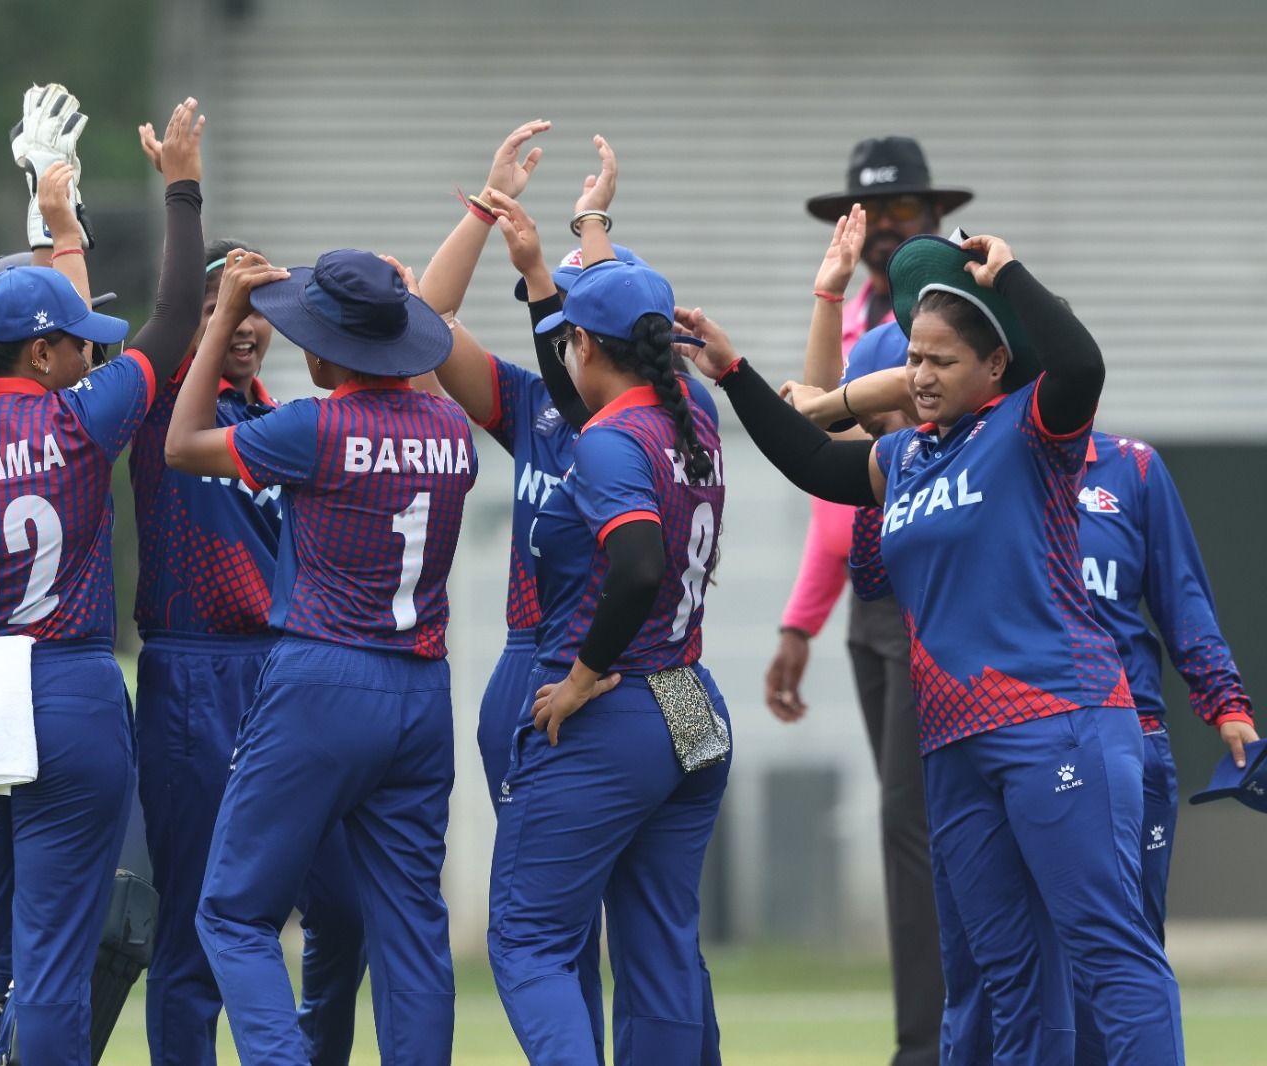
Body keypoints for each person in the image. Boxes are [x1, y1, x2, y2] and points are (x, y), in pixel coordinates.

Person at [682, 230, 1186, 1065]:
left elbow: (1081, 364)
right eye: (913, 356)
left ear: (993, 368)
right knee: (1004, 975)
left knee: (1107, 952)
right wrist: (734, 373)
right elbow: (811, 461)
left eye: (941, 361)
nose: (919, 375)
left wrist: (1011, 273)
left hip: (1058, 721)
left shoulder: (1034, 430)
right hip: (953, 746)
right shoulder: (904, 459)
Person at [0, 98, 206, 1066]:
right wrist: (179, 186)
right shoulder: (74, 421)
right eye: (75, 339)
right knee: (53, 958)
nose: (89, 350)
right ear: (43, 353)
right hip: (64, 685)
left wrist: (58, 232)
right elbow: (176, 314)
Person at [166, 248, 474, 1064]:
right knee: (409, 931)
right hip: (422, 688)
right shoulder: (451, 429)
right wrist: (405, 309)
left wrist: (225, 312)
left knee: (231, 913)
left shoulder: (314, 425)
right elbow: (432, 376)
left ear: (331, 349)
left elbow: (184, 444)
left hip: (323, 678)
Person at [128, 123, 367, 1066]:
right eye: (232, 306)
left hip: (291, 677)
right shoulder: (159, 411)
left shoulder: (285, 422)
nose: (250, 324)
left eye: (265, 306)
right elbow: (177, 311)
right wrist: (190, 228)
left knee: (343, 915)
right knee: (193, 929)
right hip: (194, 675)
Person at [486, 173, 730, 1063]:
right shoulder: (693, 414)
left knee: (528, 941)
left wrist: (582, 675)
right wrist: (584, 233)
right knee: (660, 943)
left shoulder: (610, 439)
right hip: (693, 699)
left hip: (618, 703)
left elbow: (635, 564)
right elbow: (594, 360)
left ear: (587, 343)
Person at [766, 136, 971, 1066]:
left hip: (945, 600)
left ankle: (936, 1045)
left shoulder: (959, 328)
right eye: (873, 215)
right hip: (874, 595)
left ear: (932, 220)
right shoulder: (869, 332)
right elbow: (831, 474)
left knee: (928, 828)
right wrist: (803, 620)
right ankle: (932, 1037)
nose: (888, 232)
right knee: (911, 828)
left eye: (904, 214)